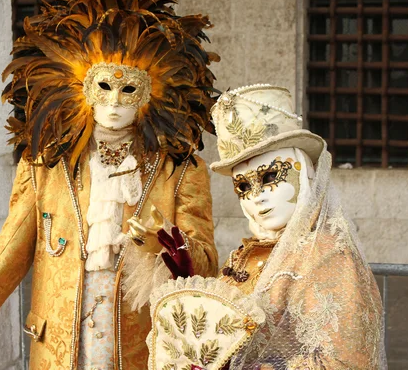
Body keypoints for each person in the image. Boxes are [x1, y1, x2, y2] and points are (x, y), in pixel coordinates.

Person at [0, 0, 220, 369]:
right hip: (58, 348)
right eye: (104, 86)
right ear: (79, 87)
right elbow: (8, 253)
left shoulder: (179, 170)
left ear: (152, 94)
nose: (114, 103)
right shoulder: (46, 166)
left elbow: (207, 263)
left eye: (129, 90)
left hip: (144, 349)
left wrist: (166, 247)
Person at [149, 85, 386, 370]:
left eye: (271, 176)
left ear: (306, 174)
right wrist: (190, 288)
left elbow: (346, 361)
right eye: (243, 186)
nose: (257, 196)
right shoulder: (246, 253)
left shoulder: (330, 258)